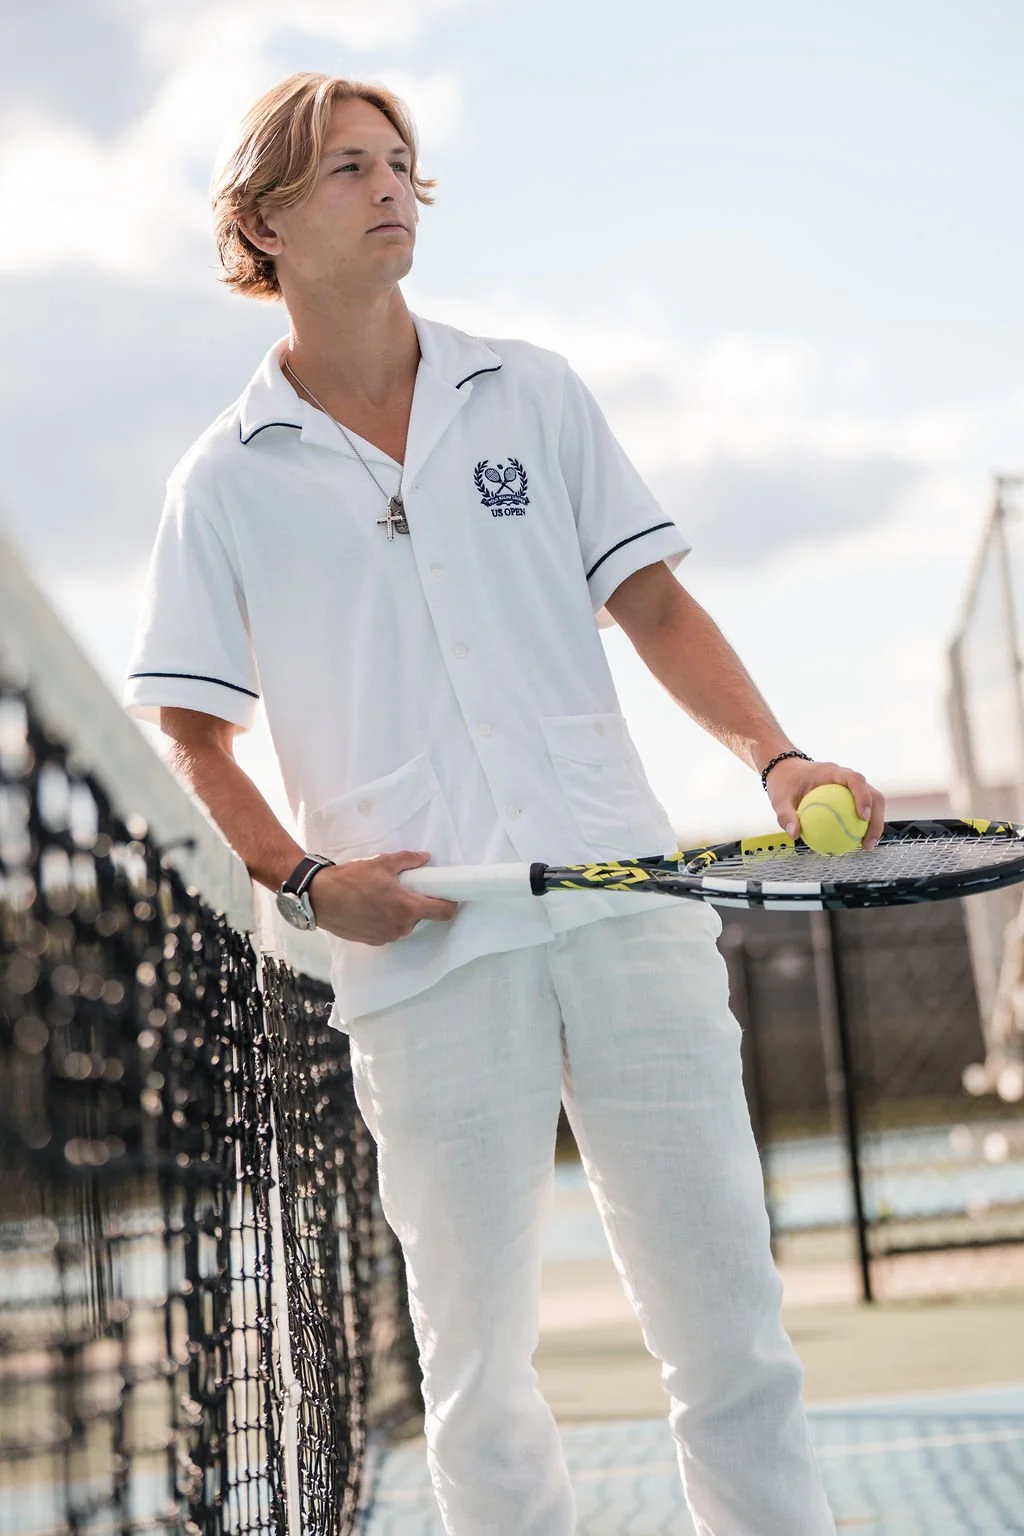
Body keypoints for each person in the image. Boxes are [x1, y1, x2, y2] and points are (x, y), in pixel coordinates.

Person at [125, 71, 882, 1535]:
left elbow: (653, 604)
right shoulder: (218, 482)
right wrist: (301, 881)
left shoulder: (531, 390)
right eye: (350, 167)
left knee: (730, 1343)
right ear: (266, 217)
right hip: (422, 946)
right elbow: (195, 735)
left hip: (630, 913)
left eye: (403, 163)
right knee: (477, 1381)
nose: (392, 187)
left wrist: (776, 761)